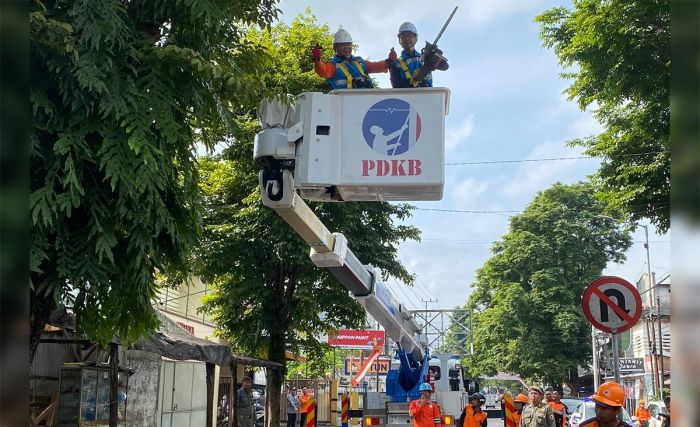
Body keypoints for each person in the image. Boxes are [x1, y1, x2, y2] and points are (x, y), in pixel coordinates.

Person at [312, 29, 392, 89]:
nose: (347, 48)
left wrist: (390, 61)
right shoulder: (333, 65)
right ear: (335, 48)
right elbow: (323, 71)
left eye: (349, 44)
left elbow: (376, 66)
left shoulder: (359, 61)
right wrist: (317, 60)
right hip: (345, 103)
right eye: (343, 45)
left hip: (368, 100)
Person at [388, 21, 449, 88]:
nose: (407, 39)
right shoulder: (395, 64)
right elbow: (396, 85)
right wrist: (413, 80)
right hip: (406, 96)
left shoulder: (425, 58)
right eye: (403, 36)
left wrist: (434, 59)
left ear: (415, 39)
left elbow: (445, 66)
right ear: (400, 40)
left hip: (428, 94)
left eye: (410, 36)